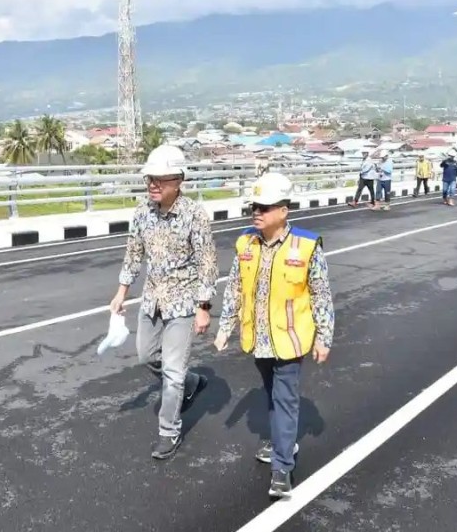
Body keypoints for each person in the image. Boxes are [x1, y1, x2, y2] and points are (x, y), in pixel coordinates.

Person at [214, 172, 335, 499]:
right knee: (272, 394)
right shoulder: (246, 243)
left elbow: (321, 294)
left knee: (284, 398)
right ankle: (282, 440)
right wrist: (225, 327)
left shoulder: (306, 246)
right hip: (258, 339)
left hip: (290, 340)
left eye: (264, 207)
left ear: (283, 210)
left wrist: (324, 337)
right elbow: (235, 288)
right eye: (254, 207)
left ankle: (282, 467)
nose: (257, 212)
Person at [111, 144, 219, 460]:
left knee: (172, 372)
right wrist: (121, 292)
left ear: (178, 180)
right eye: (150, 179)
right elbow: (133, 254)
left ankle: (168, 432)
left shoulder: (194, 215)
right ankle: (192, 381)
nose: (153, 185)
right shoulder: (142, 213)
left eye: (160, 179)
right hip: (153, 300)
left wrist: (203, 307)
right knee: (146, 356)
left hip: (183, 303)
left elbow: (208, 263)